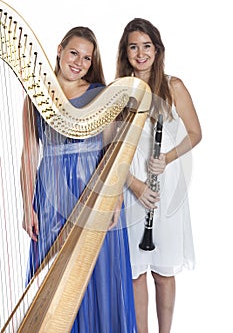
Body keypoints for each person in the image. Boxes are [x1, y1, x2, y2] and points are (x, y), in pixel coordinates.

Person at [20, 26, 137, 332]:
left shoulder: (101, 94)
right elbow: (28, 155)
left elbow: (114, 152)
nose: (79, 62)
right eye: (74, 53)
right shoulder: (36, 97)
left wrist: (115, 198)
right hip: (51, 192)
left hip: (94, 188)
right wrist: (26, 205)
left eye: (87, 58)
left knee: (99, 272)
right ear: (59, 49)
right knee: (49, 273)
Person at [115, 18, 202, 333]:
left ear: (157, 49)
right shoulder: (119, 92)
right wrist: (134, 185)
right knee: (136, 273)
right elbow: (111, 151)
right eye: (133, 46)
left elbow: (194, 133)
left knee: (163, 273)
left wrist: (166, 157)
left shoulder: (173, 85)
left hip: (162, 186)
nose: (141, 53)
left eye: (147, 46)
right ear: (126, 52)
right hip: (132, 187)